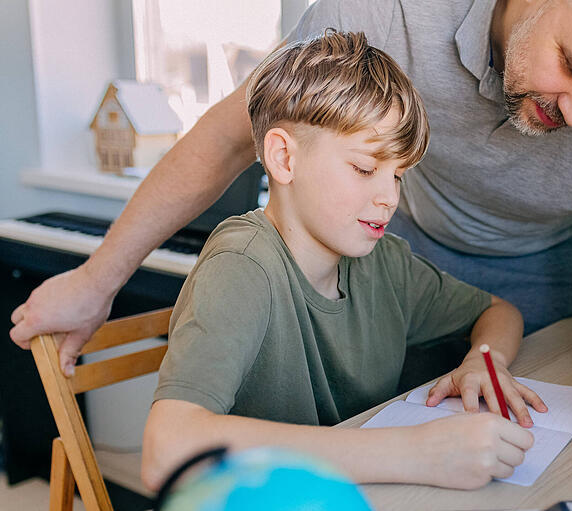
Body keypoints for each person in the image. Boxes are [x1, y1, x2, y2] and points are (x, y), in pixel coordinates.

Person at [11, 0, 572, 462]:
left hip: (546, 291)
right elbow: (232, 134)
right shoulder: (388, 12)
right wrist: (98, 276)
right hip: (413, 265)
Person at [141, 31, 546, 491]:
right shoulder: (241, 265)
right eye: (364, 169)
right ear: (283, 157)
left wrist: (482, 360)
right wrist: (416, 452)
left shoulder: (384, 262)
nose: (389, 197)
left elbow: (497, 311)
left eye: (398, 175)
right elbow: (166, 449)